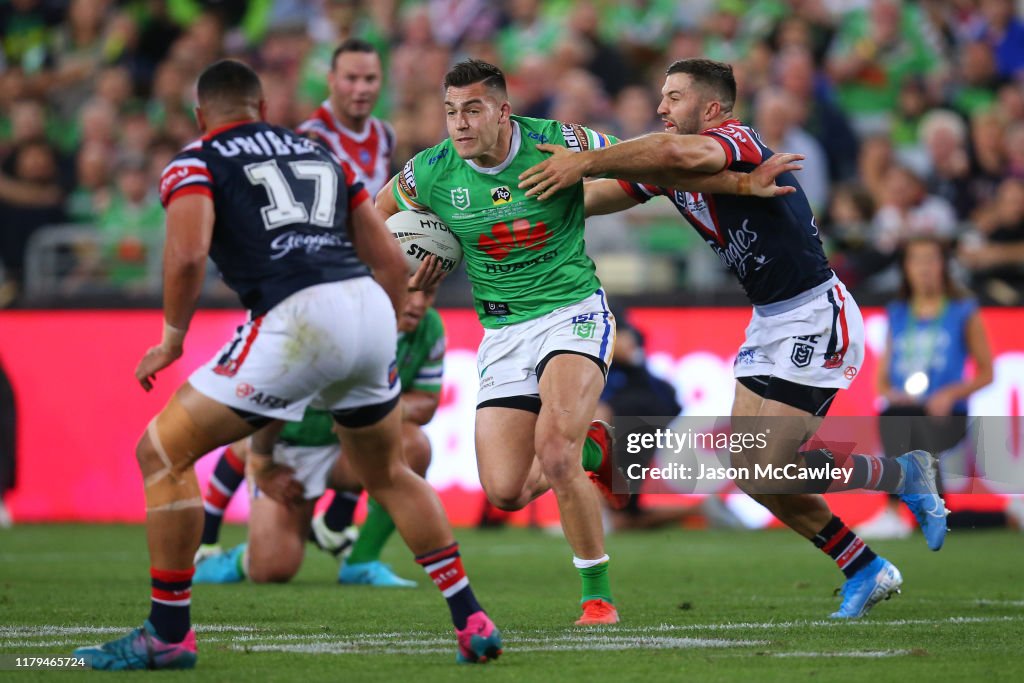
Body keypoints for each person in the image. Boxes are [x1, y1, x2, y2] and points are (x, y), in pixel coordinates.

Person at [71, 60, 501, 670]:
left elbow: (189, 252)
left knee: (162, 453)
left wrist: (171, 339)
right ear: (262, 108)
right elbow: (384, 255)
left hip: (296, 316)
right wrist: (375, 327)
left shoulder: (195, 159)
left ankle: (167, 633)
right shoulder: (317, 152)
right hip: (368, 308)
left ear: (201, 115)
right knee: (391, 473)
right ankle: (472, 619)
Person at [518, 57, 947, 620]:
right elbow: (589, 199)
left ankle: (904, 474)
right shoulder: (666, 169)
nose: (661, 108)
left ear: (712, 108)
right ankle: (864, 566)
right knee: (751, 473)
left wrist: (587, 159)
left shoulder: (735, 140)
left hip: (815, 313)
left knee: (767, 463)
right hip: (768, 319)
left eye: (674, 98)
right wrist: (517, 203)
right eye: (662, 97)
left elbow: (671, 154)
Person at [377, 59, 800, 626]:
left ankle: (597, 598)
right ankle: (597, 449)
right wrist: (401, 270)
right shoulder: (429, 172)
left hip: (571, 312)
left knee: (554, 450)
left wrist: (741, 183)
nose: (459, 123)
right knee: (503, 492)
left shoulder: (560, 142)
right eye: (451, 111)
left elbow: (648, 166)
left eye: (473, 109)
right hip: (502, 331)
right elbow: (377, 219)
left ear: (504, 111)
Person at [196, 37, 420, 587]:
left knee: (368, 420)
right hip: (304, 287)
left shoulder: (384, 135)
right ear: (331, 80)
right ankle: (207, 538)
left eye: (370, 79)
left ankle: (341, 528)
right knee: (264, 403)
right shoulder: (310, 138)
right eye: (351, 79)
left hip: (356, 289)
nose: (362, 89)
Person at [193, 283, 445, 588]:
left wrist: (374, 408)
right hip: (290, 447)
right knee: (272, 569)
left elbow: (427, 405)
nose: (418, 303)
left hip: (347, 448)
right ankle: (222, 555)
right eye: (411, 289)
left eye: (429, 293)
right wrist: (262, 460)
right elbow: (271, 392)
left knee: (414, 445)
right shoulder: (336, 321)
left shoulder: (429, 328)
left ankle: (360, 561)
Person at [859, 237, 993, 538]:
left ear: (943, 265)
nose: (924, 268)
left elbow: (987, 373)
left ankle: (893, 513)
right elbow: (881, 381)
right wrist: (894, 393)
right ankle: (996, 517)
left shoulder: (962, 310)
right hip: (907, 410)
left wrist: (950, 394)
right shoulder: (898, 312)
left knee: (900, 423)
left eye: (931, 259)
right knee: (897, 416)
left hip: (947, 415)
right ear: (906, 268)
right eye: (916, 260)